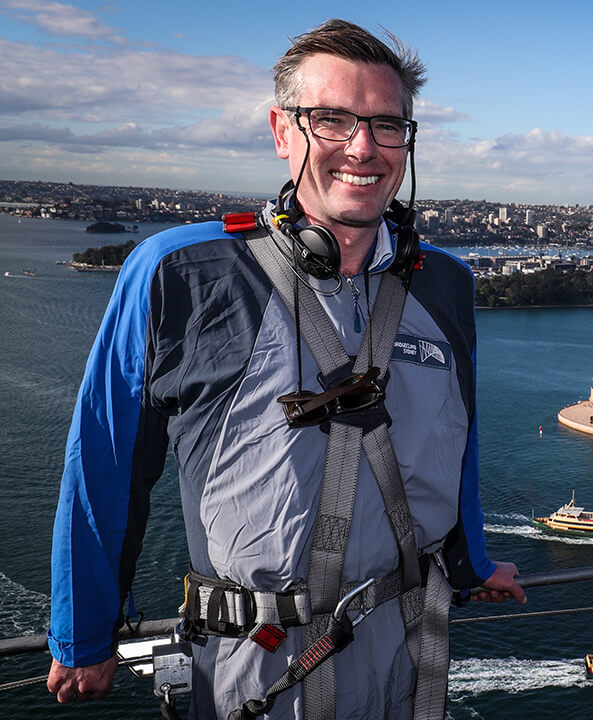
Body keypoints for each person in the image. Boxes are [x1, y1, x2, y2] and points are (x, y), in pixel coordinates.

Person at [46, 19, 525, 719]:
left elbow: (460, 438)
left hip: (406, 657)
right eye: (331, 119)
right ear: (282, 130)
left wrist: (471, 563)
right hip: (256, 669)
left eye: (387, 124)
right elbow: (105, 465)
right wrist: (85, 633)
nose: (363, 147)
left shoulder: (447, 283)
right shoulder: (181, 273)